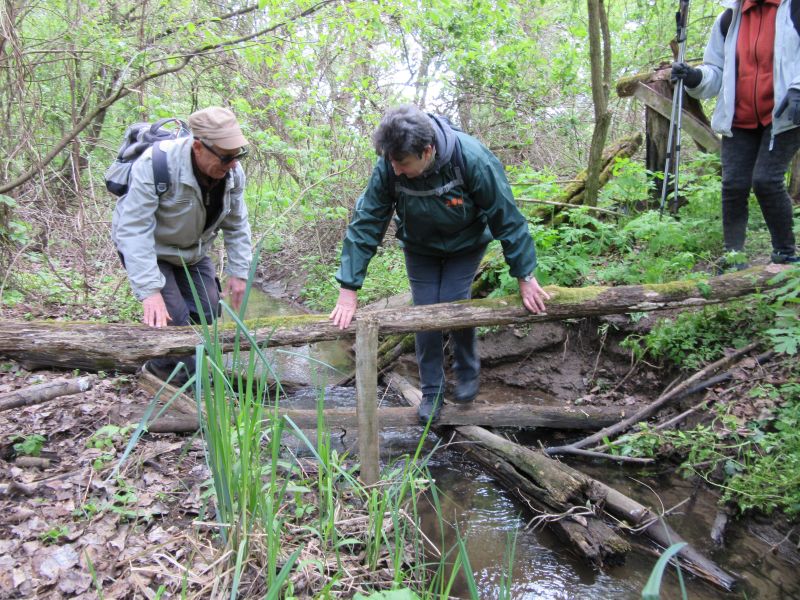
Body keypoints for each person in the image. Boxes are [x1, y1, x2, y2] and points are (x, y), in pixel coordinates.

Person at [329, 105, 549, 424]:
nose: (396, 169)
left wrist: (524, 274)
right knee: (424, 312)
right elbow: (367, 222)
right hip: (420, 247)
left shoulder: (472, 158)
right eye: (391, 161)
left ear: (427, 151)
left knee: (454, 301)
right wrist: (348, 287)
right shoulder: (390, 164)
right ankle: (432, 390)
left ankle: (466, 371)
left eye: (402, 163)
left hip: (466, 243)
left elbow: (507, 218)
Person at [112, 106, 253, 384]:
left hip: (193, 251)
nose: (233, 163)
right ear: (198, 147)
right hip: (154, 252)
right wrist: (150, 291)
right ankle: (165, 377)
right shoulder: (156, 165)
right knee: (171, 319)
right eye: (226, 156)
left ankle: (188, 362)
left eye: (238, 155)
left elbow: (237, 225)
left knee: (208, 310)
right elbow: (133, 230)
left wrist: (239, 273)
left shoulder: (232, 175)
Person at [671, 0, 800, 268]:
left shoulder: (794, 10)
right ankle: (734, 257)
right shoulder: (729, 18)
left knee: (766, 180)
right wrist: (695, 77)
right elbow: (716, 72)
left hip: (785, 114)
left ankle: (785, 254)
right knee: (734, 185)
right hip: (738, 116)